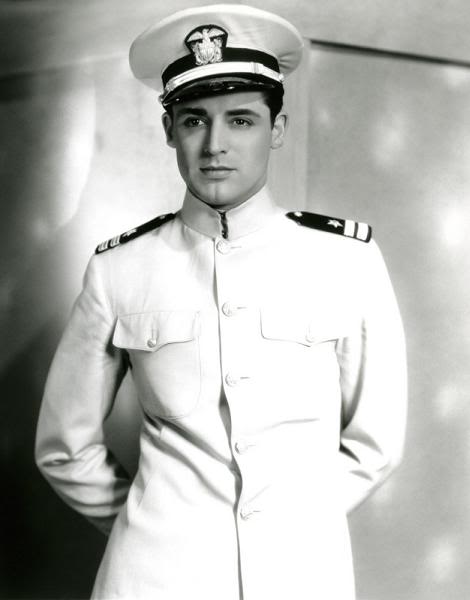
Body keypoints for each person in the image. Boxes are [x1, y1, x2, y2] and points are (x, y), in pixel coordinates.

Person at [35, 4, 407, 600]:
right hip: (151, 582)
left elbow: (375, 445)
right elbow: (64, 446)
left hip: (301, 577)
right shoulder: (119, 269)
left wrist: (290, 528)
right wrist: (149, 526)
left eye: (241, 120)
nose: (214, 145)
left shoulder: (346, 260)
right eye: (193, 121)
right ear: (169, 131)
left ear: (276, 129)